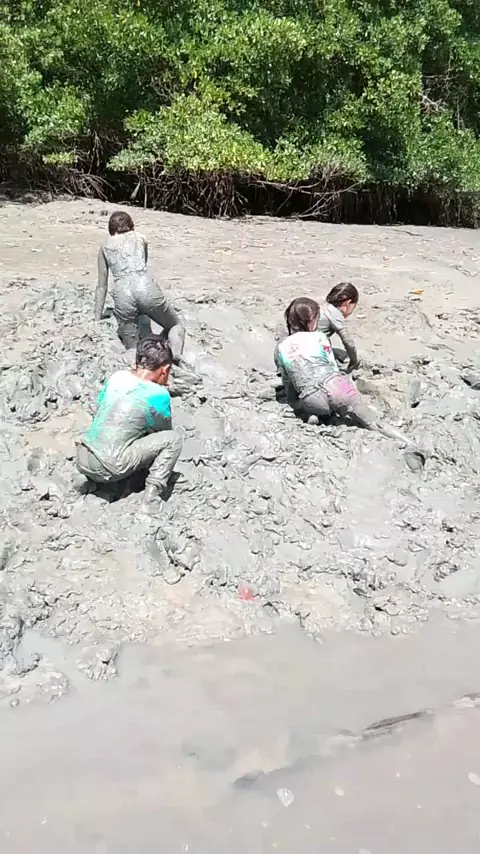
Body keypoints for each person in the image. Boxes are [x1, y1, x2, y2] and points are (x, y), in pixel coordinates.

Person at [276, 297, 421, 448]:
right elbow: (332, 366)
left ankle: (316, 414)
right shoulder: (320, 337)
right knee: (374, 423)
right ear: (311, 320)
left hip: (312, 399)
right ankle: (414, 446)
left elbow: (289, 383)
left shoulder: (281, 347)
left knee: (307, 402)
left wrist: (296, 404)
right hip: (337, 387)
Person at [76, 336, 183, 504]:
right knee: (174, 439)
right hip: (110, 466)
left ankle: (88, 480)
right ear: (165, 369)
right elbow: (164, 432)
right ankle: (151, 498)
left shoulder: (117, 377)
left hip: (82, 456)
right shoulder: (158, 394)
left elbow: (100, 407)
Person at [95, 211, 185, 360]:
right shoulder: (141, 238)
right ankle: (175, 356)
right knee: (175, 326)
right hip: (145, 287)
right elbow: (142, 265)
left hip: (122, 293)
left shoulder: (104, 246)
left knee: (132, 346)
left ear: (111, 229)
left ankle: (136, 361)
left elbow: (101, 286)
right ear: (131, 225)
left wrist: (97, 318)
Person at [319, 282, 359, 371]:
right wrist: (354, 360)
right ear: (348, 303)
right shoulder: (335, 314)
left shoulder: (323, 307)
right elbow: (348, 342)